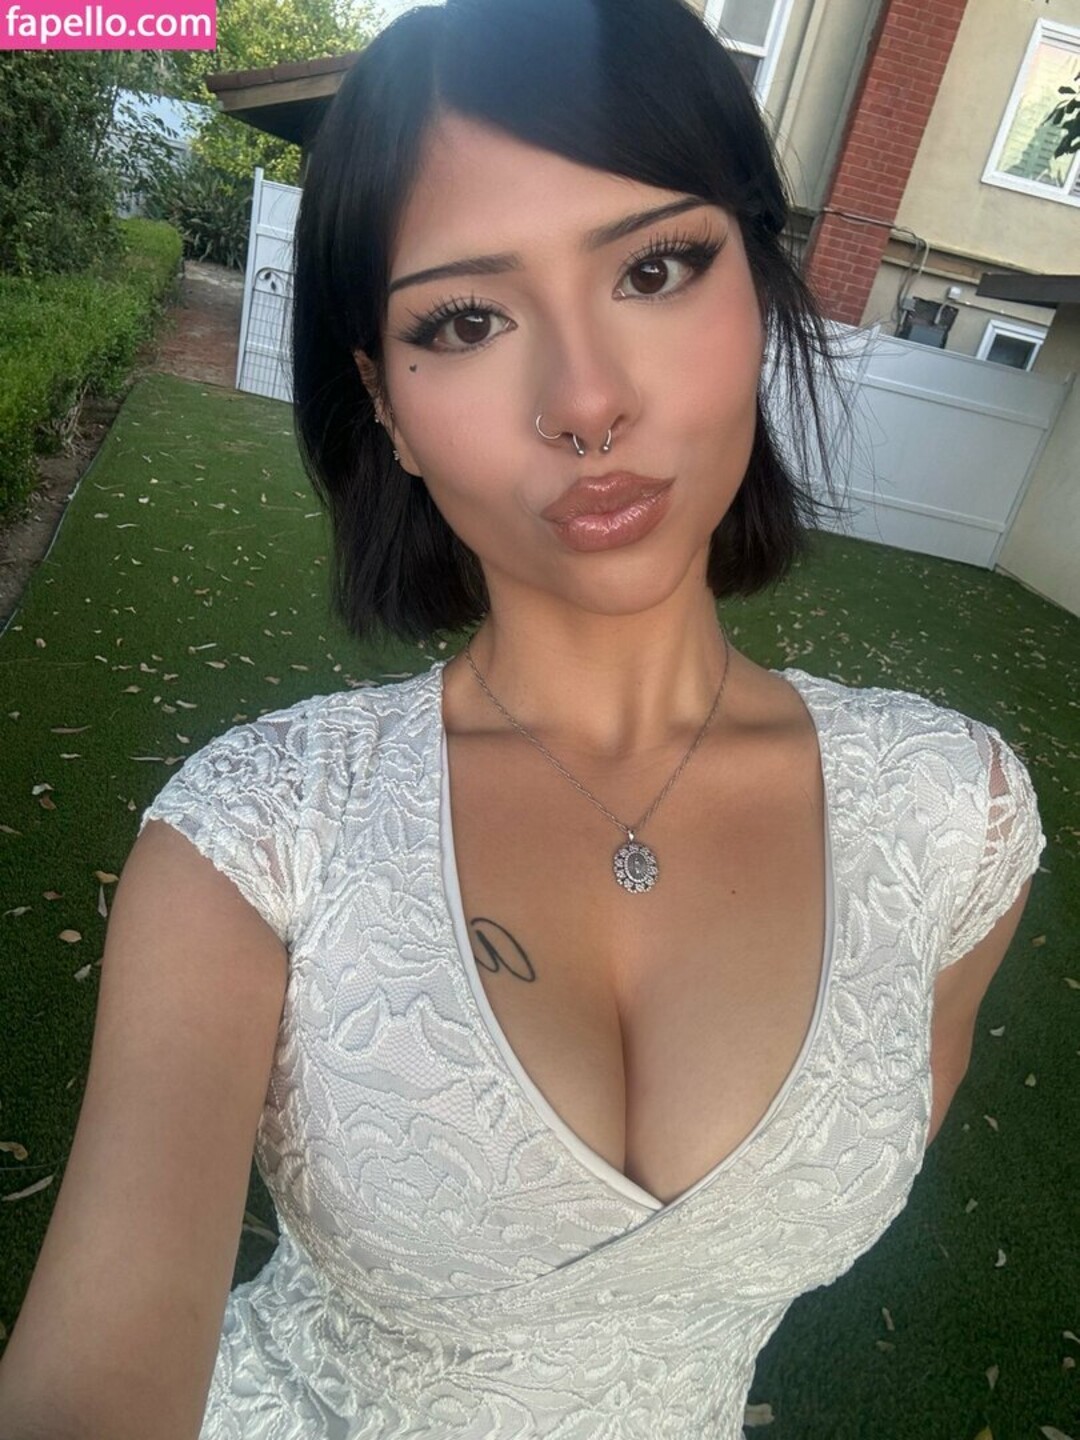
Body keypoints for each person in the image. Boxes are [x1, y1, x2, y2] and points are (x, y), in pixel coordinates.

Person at [0, 0, 1047, 1436]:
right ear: (384, 403)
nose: (586, 400)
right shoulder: (256, 839)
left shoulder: (953, 816)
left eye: (656, 268)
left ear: (760, 287)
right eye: (467, 320)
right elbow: (95, 1380)